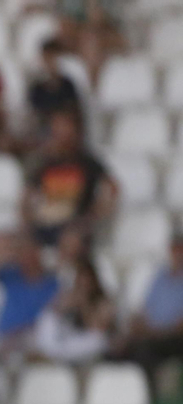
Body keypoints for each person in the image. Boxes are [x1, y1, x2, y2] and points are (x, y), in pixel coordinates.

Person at [22, 110, 117, 249]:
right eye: (57, 127)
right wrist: (29, 217)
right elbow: (27, 194)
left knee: (71, 242)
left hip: (74, 226)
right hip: (45, 222)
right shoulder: (45, 162)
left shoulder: (87, 162)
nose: (61, 133)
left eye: (65, 127)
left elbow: (112, 188)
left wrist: (93, 216)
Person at [0, 231, 60, 359]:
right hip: (8, 335)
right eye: (23, 253)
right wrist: (3, 253)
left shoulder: (52, 282)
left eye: (31, 252)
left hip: (34, 335)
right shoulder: (10, 275)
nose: (27, 258)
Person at [120, 233, 183, 385]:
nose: (177, 255)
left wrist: (154, 332)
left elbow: (180, 325)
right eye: (175, 250)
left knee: (144, 350)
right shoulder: (160, 276)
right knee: (120, 347)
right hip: (154, 334)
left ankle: (151, 394)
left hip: (173, 337)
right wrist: (138, 325)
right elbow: (145, 309)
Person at [33, 256, 115, 366]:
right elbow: (52, 315)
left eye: (86, 280)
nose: (83, 284)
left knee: (97, 339)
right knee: (47, 317)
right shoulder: (69, 295)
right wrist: (64, 306)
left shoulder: (103, 301)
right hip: (70, 340)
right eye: (79, 279)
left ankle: (56, 357)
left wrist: (84, 304)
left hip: (90, 345)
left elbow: (98, 330)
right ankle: (49, 355)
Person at [25, 38, 84, 148]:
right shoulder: (36, 88)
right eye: (47, 58)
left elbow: (74, 111)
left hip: (65, 133)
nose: (50, 62)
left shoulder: (68, 85)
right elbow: (33, 115)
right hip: (43, 134)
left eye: (53, 58)